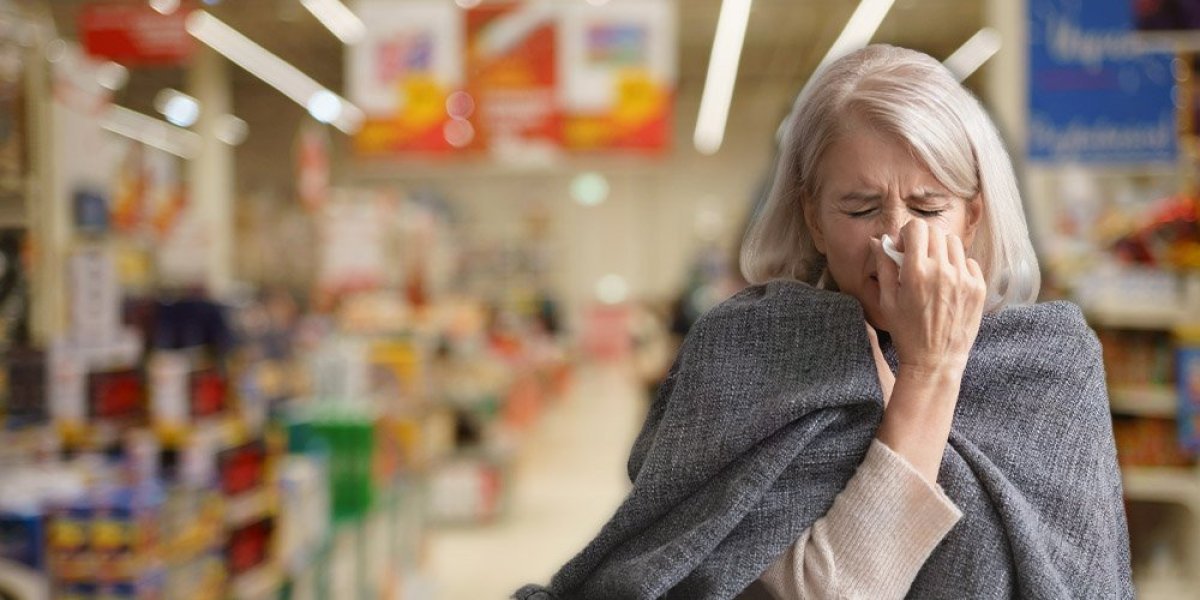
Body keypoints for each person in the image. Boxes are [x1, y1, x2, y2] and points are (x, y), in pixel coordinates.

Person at [515, 44, 1132, 600]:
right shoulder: (745, 350)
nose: (896, 237)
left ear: (973, 217)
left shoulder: (1049, 363)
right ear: (812, 218)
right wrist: (930, 369)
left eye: (929, 206)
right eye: (860, 208)